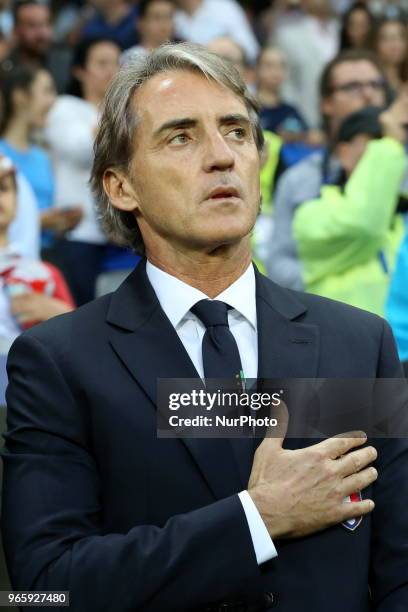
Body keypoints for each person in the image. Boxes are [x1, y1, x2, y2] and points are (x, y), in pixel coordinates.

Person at [2, 42, 408, 611]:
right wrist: (259, 518)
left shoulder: (359, 344)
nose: (222, 156)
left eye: (237, 132)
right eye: (181, 136)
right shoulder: (60, 363)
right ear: (121, 187)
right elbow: (46, 588)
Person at [266, 49, 389, 289]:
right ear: (326, 104)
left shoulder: (400, 170)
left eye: (375, 85)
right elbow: (279, 264)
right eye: (353, 87)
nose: (368, 95)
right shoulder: (299, 179)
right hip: (327, 316)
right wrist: (331, 286)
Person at [292, 103, 406, 316]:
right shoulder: (312, 215)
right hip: (343, 348)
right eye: (374, 144)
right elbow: (365, 224)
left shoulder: (402, 218)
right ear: (343, 153)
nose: (394, 152)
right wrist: (389, 145)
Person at [45, 37, 120, 306]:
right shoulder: (65, 107)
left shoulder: (124, 115)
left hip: (120, 236)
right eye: (101, 63)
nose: (112, 71)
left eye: (116, 63)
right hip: (79, 232)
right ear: (79, 70)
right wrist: (114, 114)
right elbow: (81, 148)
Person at [0, 64, 82, 252]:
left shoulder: (42, 157)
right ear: (20, 96)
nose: (53, 101)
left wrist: (62, 222)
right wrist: (37, 221)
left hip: (45, 255)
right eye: (46, 91)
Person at [0, 156, 74, 353]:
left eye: (3, 188)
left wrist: (55, 311)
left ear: (18, 203)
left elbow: (77, 339)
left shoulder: (44, 274)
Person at [274, 0, 339, 127]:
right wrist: (297, 120)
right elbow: (285, 82)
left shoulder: (344, 29)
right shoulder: (287, 35)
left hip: (341, 120)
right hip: (305, 121)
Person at [1, 0, 72, 93]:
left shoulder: (66, 61)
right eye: (32, 26)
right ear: (15, 30)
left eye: (46, 24)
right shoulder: (5, 68)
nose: (42, 33)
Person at [174, 0, 259, 64]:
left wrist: (224, 47)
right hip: (188, 73)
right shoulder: (171, 14)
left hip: (225, 71)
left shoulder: (224, 7)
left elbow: (251, 50)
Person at [256, 46, 308, 140]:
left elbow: (309, 136)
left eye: (281, 66)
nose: (276, 71)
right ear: (257, 69)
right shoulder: (250, 109)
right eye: (269, 65)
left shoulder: (291, 111)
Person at [121, 0, 176, 65]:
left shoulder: (179, 55)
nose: (164, 23)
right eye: (157, 18)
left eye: (168, 17)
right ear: (140, 23)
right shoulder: (131, 57)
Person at [373, 18, 408, 94]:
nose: (395, 45)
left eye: (400, 38)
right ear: (376, 44)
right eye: (386, 39)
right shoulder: (372, 81)